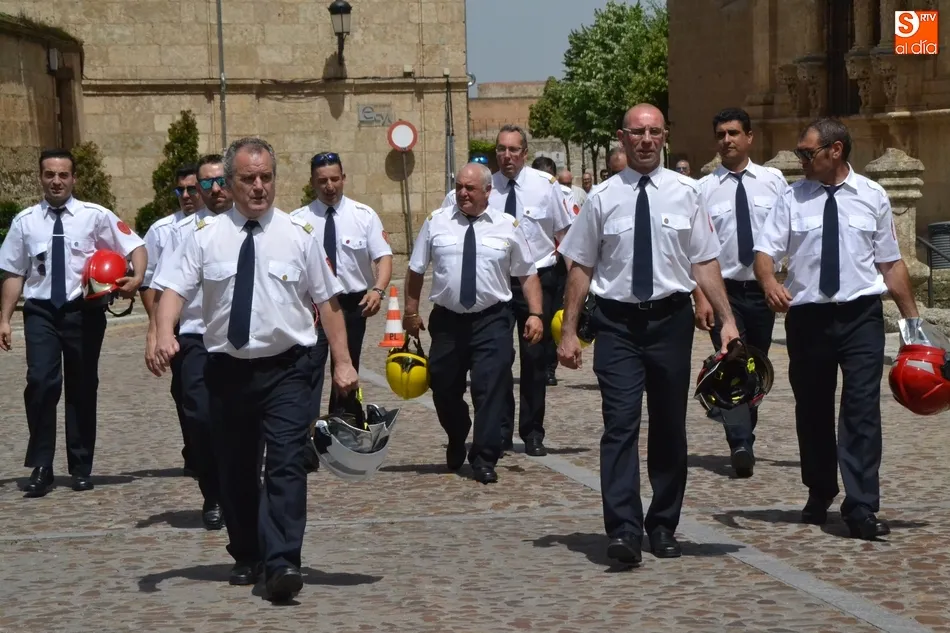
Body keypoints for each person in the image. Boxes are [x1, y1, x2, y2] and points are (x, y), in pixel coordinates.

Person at [151, 137, 359, 601]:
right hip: (227, 370)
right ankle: (248, 552)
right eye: (249, 178)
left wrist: (343, 364)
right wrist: (165, 333)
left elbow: (328, 304)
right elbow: (172, 291)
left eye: (266, 177)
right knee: (237, 470)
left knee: (286, 464)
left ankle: (284, 561)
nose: (260, 186)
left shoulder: (298, 236)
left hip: (289, 368)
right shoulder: (203, 238)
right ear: (229, 182)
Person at [557, 104, 739, 565]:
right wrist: (570, 331)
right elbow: (580, 265)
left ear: (664, 137)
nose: (645, 140)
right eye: (637, 132)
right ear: (622, 137)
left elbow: (704, 261)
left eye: (654, 132)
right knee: (620, 424)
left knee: (669, 426)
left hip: (669, 322)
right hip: (616, 323)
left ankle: (662, 524)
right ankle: (622, 528)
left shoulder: (687, 193)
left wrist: (728, 320)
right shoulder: (601, 197)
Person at [753, 117, 920, 540]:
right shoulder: (791, 198)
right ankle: (820, 489)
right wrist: (770, 281)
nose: (801, 160)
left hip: (860, 316)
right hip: (808, 319)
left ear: (836, 151)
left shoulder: (871, 195)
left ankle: (861, 505)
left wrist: (912, 321)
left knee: (862, 410)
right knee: (812, 410)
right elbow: (765, 252)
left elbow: (890, 262)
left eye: (807, 153)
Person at [0, 149, 147, 497]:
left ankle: (81, 466)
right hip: (41, 311)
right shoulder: (25, 222)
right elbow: (12, 271)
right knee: (40, 381)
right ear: (41, 177)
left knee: (82, 385)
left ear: (73, 179)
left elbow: (134, 245)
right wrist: (4, 318)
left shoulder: (94, 217)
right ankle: (42, 465)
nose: (56, 181)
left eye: (63, 175)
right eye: (49, 174)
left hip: (83, 311)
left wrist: (137, 277)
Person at [403, 162, 543, 484]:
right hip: (448, 322)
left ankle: (484, 456)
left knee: (491, 387)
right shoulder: (436, 223)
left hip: (492, 320)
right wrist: (411, 312)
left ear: (487, 192)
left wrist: (535, 314)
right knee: (442, 384)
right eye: (459, 187)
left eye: (470, 188)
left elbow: (527, 273)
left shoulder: (507, 225)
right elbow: (415, 269)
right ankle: (457, 431)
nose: (462, 193)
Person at [693, 108, 788, 478]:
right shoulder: (703, 189)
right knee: (731, 360)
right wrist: (700, 296)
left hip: (762, 290)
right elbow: (695, 249)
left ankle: (746, 429)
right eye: (720, 134)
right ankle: (740, 443)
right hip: (724, 292)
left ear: (749, 137)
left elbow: (787, 233)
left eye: (733, 133)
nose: (727, 140)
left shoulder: (774, 181)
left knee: (755, 365)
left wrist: (785, 282)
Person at [146, 153, 233, 530]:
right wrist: (158, 334)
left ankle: (243, 487)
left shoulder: (251, 226)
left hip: (243, 342)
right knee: (198, 417)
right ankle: (212, 493)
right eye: (206, 183)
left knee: (242, 420)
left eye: (220, 181)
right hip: (196, 337)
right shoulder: (182, 234)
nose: (214, 189)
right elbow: (164, 289)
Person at [291, 152, 393, 421]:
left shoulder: (364, 215)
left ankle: (342, 424)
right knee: (309, 369)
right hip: (313, 308)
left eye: (335, 179)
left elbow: (383, 257)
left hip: (351, 305)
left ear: (344, 178)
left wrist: (378, 290)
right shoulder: (298, 221)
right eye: (322, 180)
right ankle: (306, 435)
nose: (329, 186)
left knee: (347, 368)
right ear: (313, 182)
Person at [493, 125, 574, 456]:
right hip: (497, 283)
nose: (507, 156)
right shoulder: (486, 187)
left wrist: (576, 287)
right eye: (501, 149)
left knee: (535, 360)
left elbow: (566, 234)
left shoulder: (546, 186)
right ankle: (499, 430)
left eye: (513, 150)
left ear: (525, 153)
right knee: (497, 360)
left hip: (540, 281)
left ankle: (532, 430)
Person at [140, 164, 204, 476]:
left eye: (193, 188)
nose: (187, 195)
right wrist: (156, 329)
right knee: (185, 391)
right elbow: (152, 282)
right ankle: (195, 448)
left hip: (213, 324)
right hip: (178, 321)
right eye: (182, 190)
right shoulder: (164, 230)